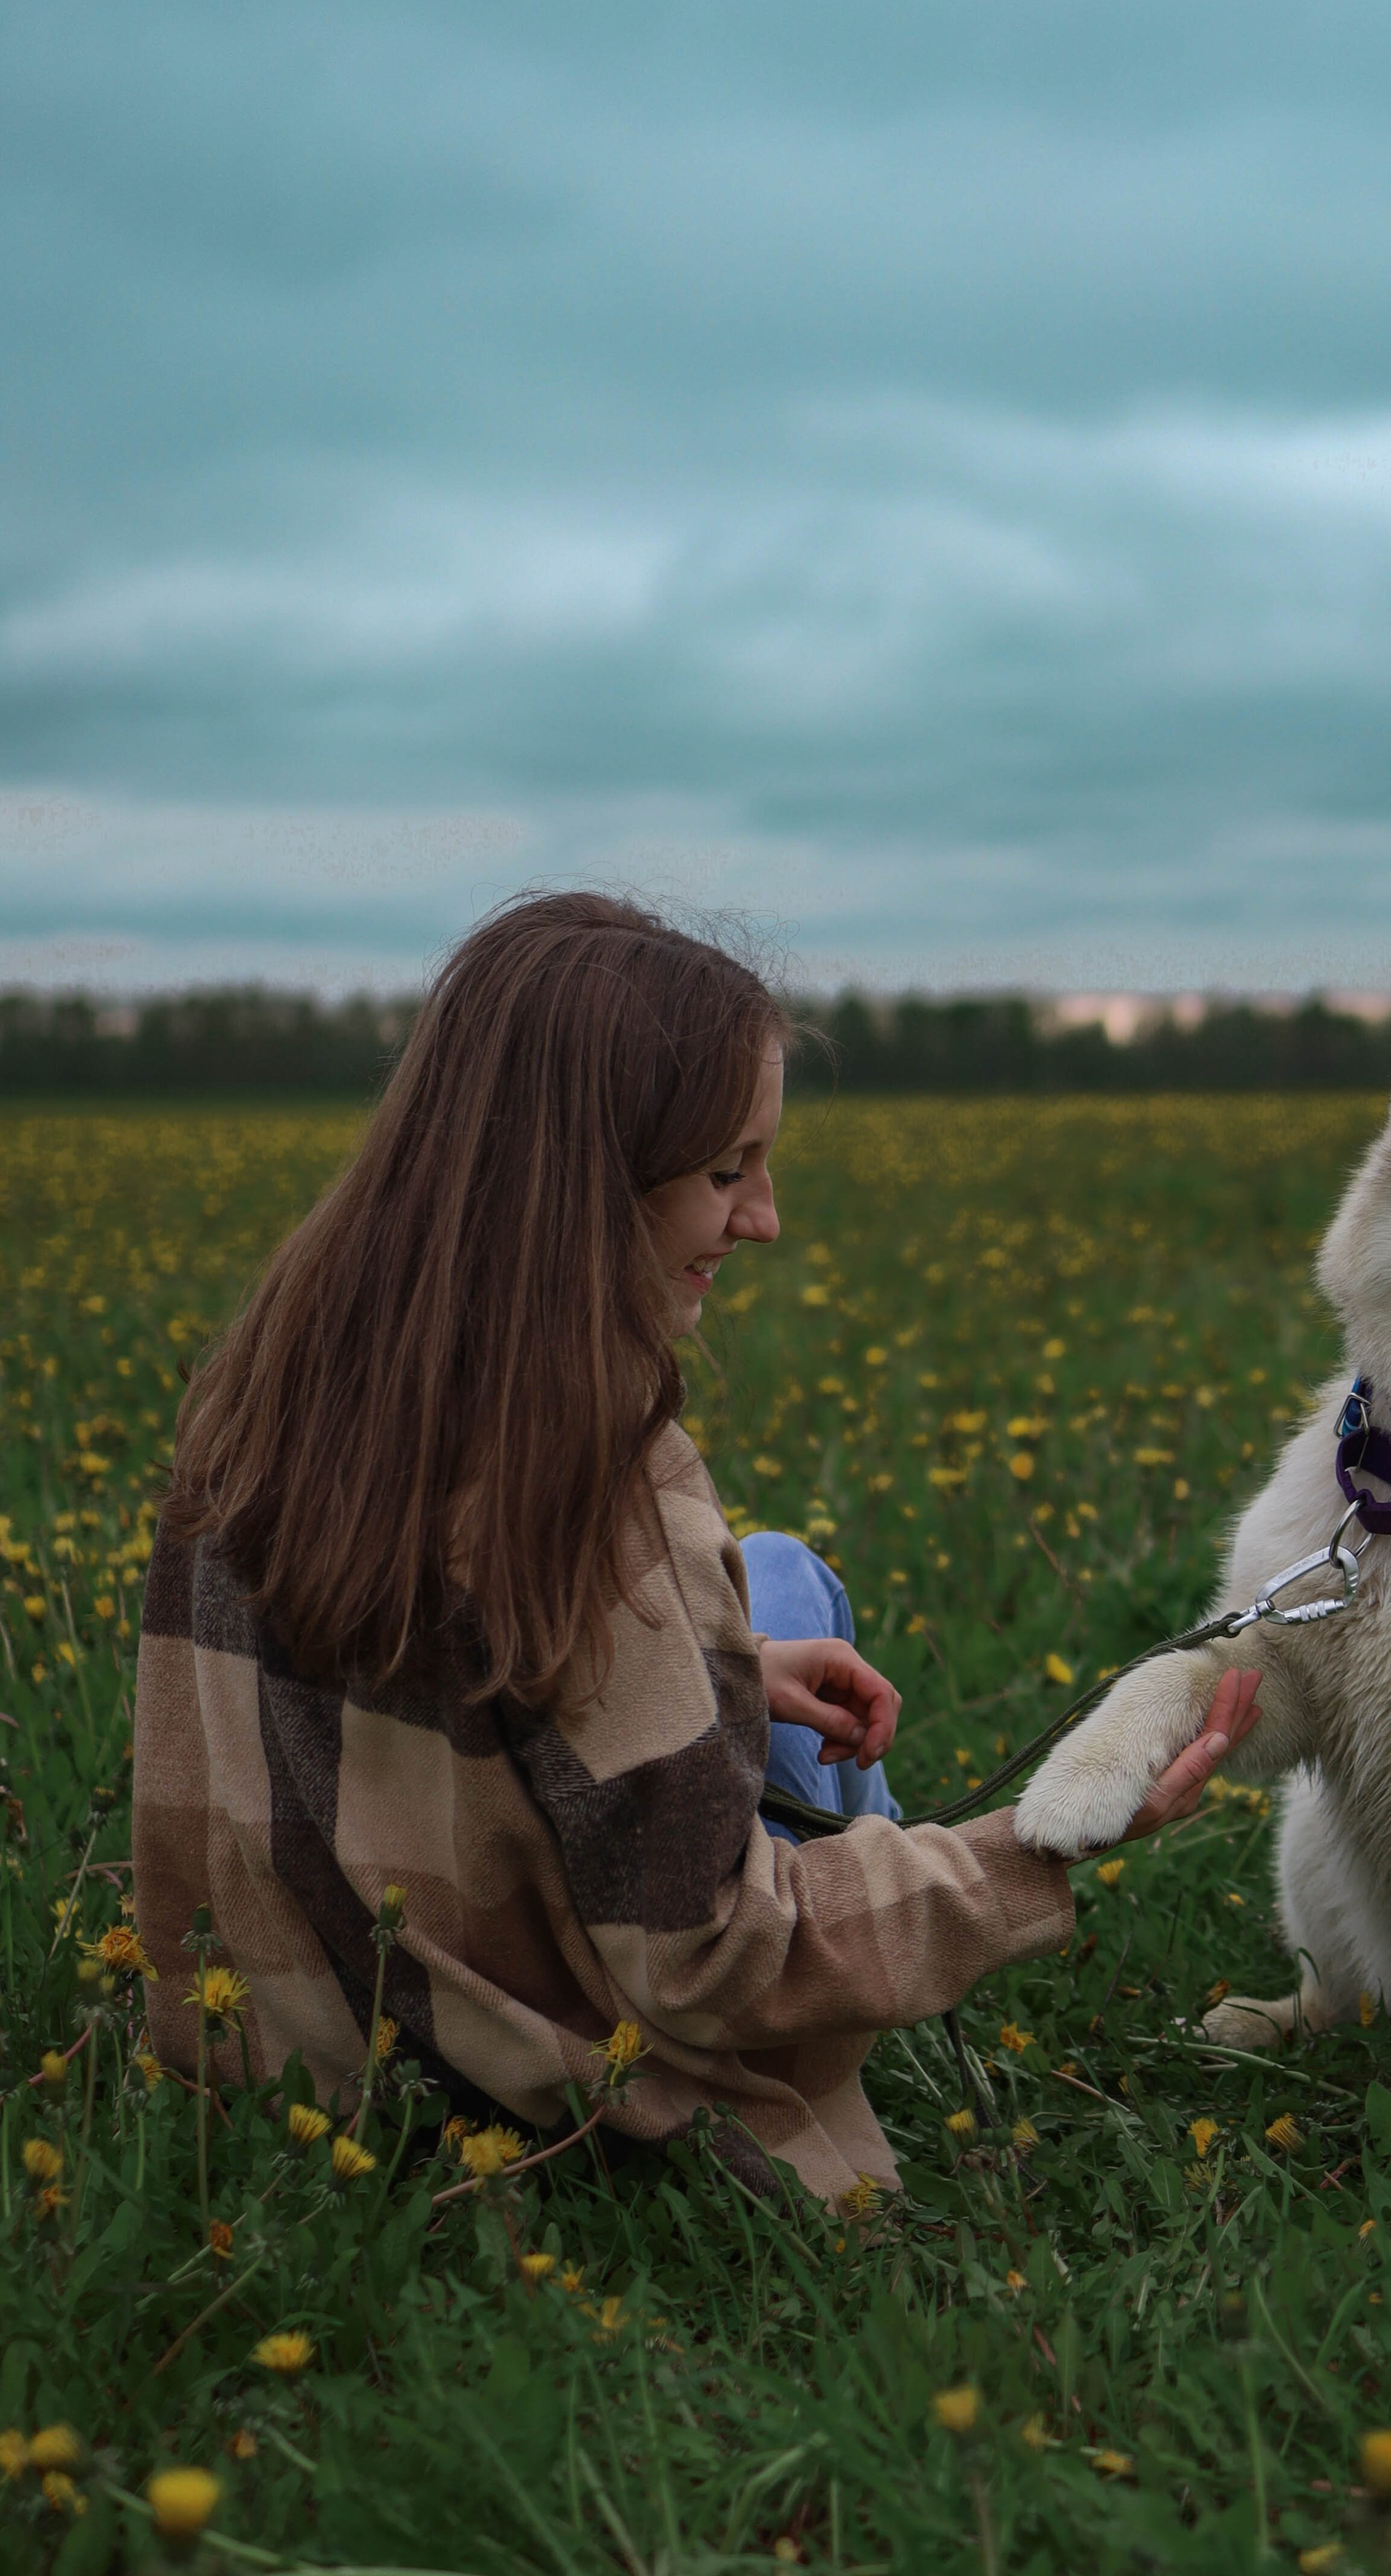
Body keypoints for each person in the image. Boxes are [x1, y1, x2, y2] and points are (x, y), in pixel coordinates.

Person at [134, 891, 1258, 2201]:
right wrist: (1042, 1847)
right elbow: (719, 1962)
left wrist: (731, 1664)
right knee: (777, 1595)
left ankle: (751, 1669)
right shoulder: (591, 1488)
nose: (765, 1218)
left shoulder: (264, 1393)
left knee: (772, 1577)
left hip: (285, 2054)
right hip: (545, 2097)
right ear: (587, 1180)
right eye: (728, 1171)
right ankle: (889, 1877)